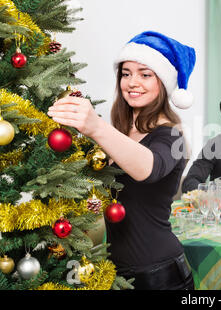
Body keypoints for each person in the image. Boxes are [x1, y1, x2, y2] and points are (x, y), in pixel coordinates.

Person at [48, 31, 196, 290]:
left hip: (159, 276)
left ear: (164, 82)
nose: (132, 82)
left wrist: (95, 127)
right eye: (126, 73)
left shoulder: (172, 135)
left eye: (145, 74)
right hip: (116, 272)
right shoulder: (122, 132)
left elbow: (148, 168)